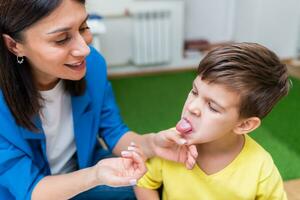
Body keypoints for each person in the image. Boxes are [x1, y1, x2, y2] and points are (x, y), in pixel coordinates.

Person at [0, 0, 198, 199]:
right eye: (61, 39)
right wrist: (95, 175)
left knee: (162, 180)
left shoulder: (92, 64)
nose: (84, 49)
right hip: (33, 192)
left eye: (84, 27)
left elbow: (113, 131)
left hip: (84, 167)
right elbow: (31, 190)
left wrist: (153, 143)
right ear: (14, 45)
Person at [135, 42, 289, 200]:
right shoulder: (169, 144)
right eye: (194, 92)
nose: (192, 107)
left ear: (244, 124)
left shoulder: (261, 168)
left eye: (213, 107)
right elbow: (145, 183)